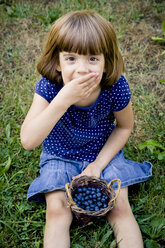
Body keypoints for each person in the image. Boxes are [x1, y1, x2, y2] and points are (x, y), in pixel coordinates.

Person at [20, 10, 152, 248]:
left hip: (102, 153)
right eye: (71, 58)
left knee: (120, 206)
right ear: (57, 62)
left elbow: (124, 127)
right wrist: (62, 100)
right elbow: (28, 140)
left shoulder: (115, 87)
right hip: (59, 155)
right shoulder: (50, 87)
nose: (82, 69)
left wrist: (98, 166)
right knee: (57, 211)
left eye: (93, 59)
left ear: (106, 61)